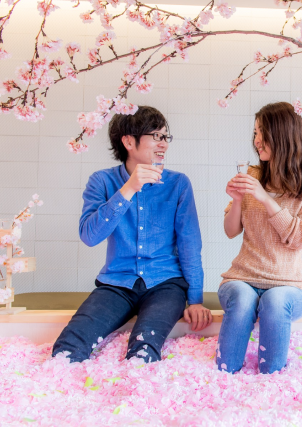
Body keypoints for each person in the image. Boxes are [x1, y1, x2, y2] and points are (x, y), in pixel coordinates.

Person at [52, 106, 211, 363]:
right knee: (68, 347)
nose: (163, 144)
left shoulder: (178, 184)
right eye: (156, 136)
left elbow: (190, 245)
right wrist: (128, 189)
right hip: (116, 285)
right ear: (128, 141)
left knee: (143, 349)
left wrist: (195, 300)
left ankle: (135, 398)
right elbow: (89, 236)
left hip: (166, 285)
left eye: (165, 137)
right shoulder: (101, 181)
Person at [216, 102, 302, 374]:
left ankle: (272, 382)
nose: (256, 141)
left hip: (290, 285)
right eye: (254, 133)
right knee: (243, 298)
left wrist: (266, 200)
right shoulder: (252, 175)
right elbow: (231, 231)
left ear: (283, 135)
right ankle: (223, 378)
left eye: (262, 133)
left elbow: (301, 237)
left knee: (275, 301)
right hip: (242, 278)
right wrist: (237, 200)